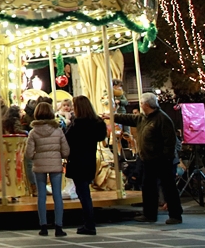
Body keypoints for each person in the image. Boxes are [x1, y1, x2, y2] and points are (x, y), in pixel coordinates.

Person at [111, 92, 183, 224]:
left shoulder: (162, 119)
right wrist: (112, 116)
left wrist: (166, 157)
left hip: (161, 160)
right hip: (148, 159)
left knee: (168, 187)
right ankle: (149, 214)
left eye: (141, 103)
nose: (140, 105)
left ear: (146, 105)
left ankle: (175, 215)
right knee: (148, 187)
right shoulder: (143, 118)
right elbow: (129, 118)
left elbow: (170, 141)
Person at [26, 101, 70, 237]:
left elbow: (28, 153)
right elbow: (66, 151)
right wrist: (58, 155)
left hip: (39, 166)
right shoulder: (58, 130)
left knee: (41, 196)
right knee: (57, 195)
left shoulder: (33, 132)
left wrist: (36, 156)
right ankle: (59, 226)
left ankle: (43, 226)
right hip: (55, 165)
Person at [65, 95, 107, 235]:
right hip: (89, 160)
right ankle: (88, 222)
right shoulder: (96, 123)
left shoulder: (77, 125)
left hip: (77, 161)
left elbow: (67, 139)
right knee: (84, 192)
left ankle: (89, 224)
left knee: (83, 194)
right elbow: (100, 136)